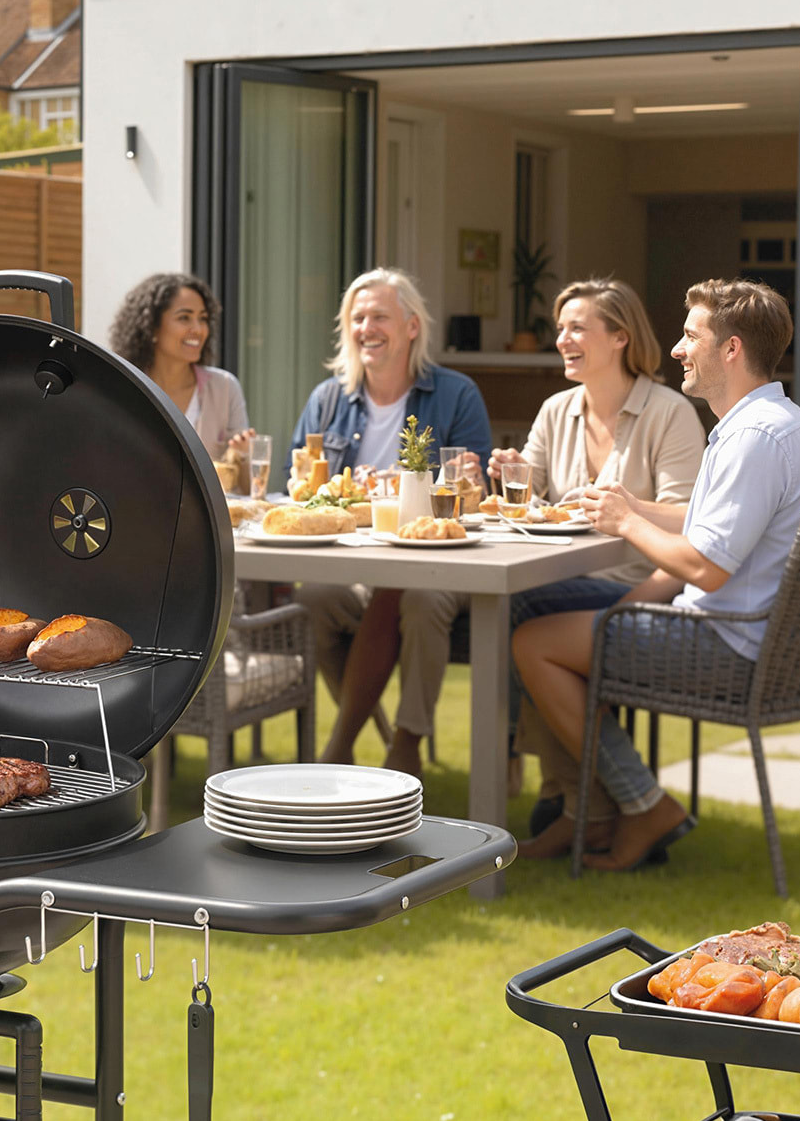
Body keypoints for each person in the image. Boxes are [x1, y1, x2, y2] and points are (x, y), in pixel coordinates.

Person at [515, 277, 800, 870]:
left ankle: (639, 803)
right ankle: (590, 808)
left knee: (533, 642)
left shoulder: (751, 438)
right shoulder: (782, 422)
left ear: (730, 349)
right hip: (759, 640)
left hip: (725, 644)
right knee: (536, 605)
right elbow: (713, 524)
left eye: (689, 336)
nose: (677, 349)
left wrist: (627, 522)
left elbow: (705, 568)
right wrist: (630, 503)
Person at [493, 279, 706, 854]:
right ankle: (591, 802)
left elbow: (693, 520)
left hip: (643, 586)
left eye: (576, 327)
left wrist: (629, 520)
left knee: (514, 616)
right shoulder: (555, 410)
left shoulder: (670, 412)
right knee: (514, 610)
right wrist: (512, 473)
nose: (562, 338)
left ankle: (570, 796)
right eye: (560, 328)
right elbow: (531, 502)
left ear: (620, 336)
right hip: (559, 583)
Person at [290, 269, 492, 773]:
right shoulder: (328, 399)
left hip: (434, 564)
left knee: (410, 594)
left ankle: (400, 741)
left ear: (411, 327)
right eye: (357, 318)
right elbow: (297, 485)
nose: (366, 328)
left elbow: (475, 492)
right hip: (353, 562)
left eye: (379, 316)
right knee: (312, 597)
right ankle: (361, 726)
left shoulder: (456, 394)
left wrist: (458, 476)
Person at [108, 270, 250, 454]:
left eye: (203, 319)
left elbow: (246, 480)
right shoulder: (124, 388)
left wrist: (242, 454)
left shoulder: (225, 388)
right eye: (184, 318)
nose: (198, 329)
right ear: (151, 326)